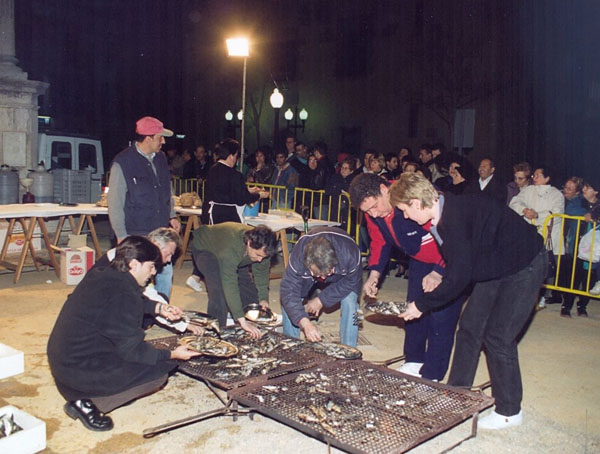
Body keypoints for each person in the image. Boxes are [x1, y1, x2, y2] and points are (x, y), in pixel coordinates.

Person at [389, 172, 547, 430]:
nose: (405, 216)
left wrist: (421, 305)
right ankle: (457, 393)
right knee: (470, 327)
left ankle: (509, 410)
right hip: (494, 264)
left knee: (498, 336)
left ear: (417, 203)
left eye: (405, 210)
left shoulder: (454, 218)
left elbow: (460, 278)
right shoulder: (442, 213)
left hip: (525, 263)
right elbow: (458, 265)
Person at [47, 236, 201, 432]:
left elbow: (131, 301)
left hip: (63, 362)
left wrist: (158, 308)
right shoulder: (124, 294)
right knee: (159, 371)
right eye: (151, 267)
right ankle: (88, 403)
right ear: (134, 264)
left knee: (146, 354)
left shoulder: (104, 273)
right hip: (78, 370)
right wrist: (172, 354)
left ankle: (102, 391)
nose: (154, 272)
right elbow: (133, 351)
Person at [349, 173, 463, 381]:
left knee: (441, 318)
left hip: (449, 259)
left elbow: (455, 238)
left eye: (374, 207)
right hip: (418, 259)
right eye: (367, 212)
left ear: (384, 190)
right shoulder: (372, 212)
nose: (373, 215)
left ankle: (432, 374)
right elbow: (379, 242)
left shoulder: (412, 197)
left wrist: (439, 271)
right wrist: (374, 274)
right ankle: (414, 360)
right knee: (413, 309)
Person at [107, 116, 181, 299]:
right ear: (148, 138)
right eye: (159, 137)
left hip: (160, 229)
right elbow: (114, 202)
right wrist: (121, 235)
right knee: (136, 277)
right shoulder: (122, 162)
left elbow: (167, 189)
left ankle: (162, 312)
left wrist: (172, 215)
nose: (163, 141)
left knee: (165, 272)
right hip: (135, 231)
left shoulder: (161, 158)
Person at [191, 223, 277, 339]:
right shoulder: (231, 249)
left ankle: (251, 326)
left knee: (249, 292)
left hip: (233, 253)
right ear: (249, 243)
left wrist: (263, 298)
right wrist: (240, 319)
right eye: (257, 255)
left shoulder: (265, 249)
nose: (260, 259)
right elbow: (229, 283)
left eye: (263, 257)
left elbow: (261, 273)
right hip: (205, 248)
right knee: (219, 291)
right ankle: (215, 333)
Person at [280, 227, 362, 347]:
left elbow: (352, 282)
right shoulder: (299, 256)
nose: (323, 279)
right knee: (290, 301)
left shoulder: (351, 254)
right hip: (307, 275)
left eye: (327, 273)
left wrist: (322, 299)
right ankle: (291, 345)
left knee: (351, 302)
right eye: (318, 274)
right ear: (308, 264)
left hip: (342, 278)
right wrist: (305, 323)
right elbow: (288, 292)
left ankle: (350, 349)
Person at [509, 165, 564, 308]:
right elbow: (514, 202)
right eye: (533, 175)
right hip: (529, 235)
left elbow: (557, 214)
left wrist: (538, 215)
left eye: (538, 175)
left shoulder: (557, 194)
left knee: (545, 267)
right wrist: (524, 210)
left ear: (547, 178)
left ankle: (544, 296)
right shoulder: (528, 190)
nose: (534, 178)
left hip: (548, 235)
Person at [201, 138, 269, 225]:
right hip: (228, 217)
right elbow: (242, 198)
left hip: (210, 213)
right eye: (236, 156)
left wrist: (248, 190)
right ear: (230, 156)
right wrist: (259, 195)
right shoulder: (235, 175)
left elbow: (225, 191)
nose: (236, 159)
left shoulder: (212, 170)